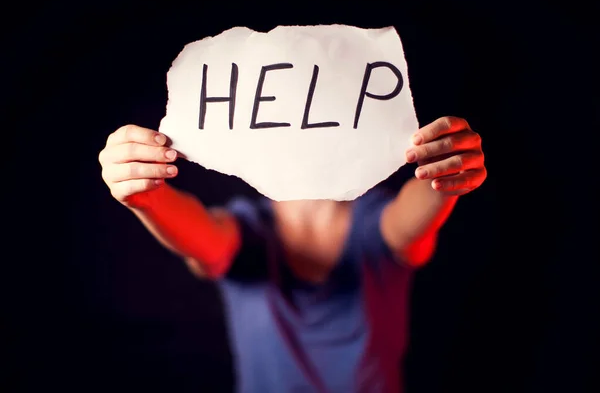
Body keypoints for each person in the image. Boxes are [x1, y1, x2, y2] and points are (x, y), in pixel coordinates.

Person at [98, 116, 486, 392]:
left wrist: (447, 173)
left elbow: (413, 216)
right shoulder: (246, 228)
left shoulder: (373, 225)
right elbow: (201, 236)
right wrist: (147, 197)